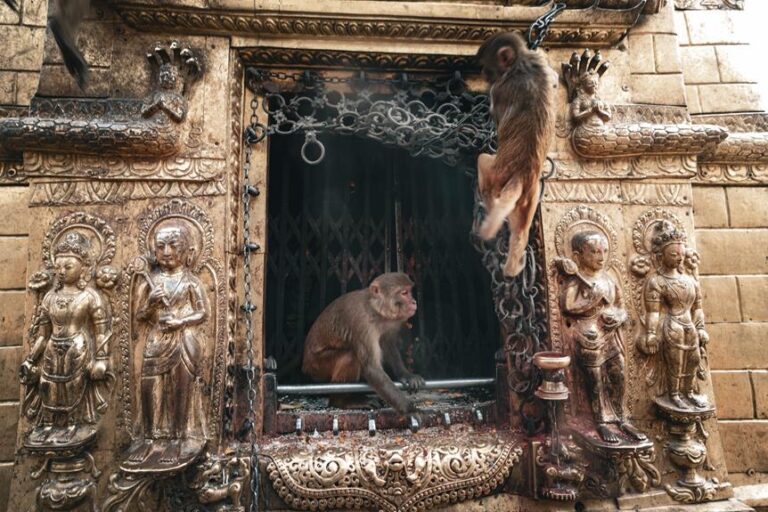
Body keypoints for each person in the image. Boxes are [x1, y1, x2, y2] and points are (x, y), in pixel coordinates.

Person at [129, 220, 209, 464]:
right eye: (161, 246)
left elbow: (202, 312)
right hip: (155, 342)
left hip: (182, 342)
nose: (167, 252)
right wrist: (151, 302)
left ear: (186, 251)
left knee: (179, 389)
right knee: (149, 388)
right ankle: (151, 439)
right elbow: (140, 316)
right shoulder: (151, 281)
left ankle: (178, 438)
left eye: (173, 246)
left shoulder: (190, 281)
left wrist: (181, 321)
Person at [20, 231, 111, 445]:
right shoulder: (51, 296)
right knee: (47, 385)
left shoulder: (89, 297)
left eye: (68, 266)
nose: (61, 271)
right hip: (52, 347)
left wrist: (101, 359)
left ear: (84, 268)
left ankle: (73, 424)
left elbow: (101, 331)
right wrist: (31, 359)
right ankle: (50, 424)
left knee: (73, 386)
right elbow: (43, 334)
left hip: (77, 346)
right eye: (58, 267)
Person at [559, 231, 645, 443]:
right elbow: (568, 306)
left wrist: (618, 317)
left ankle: (621, 417)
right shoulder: (576, 282)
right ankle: (601, 421)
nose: (601, 256)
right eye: (595, 252)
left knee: (619, 372)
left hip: (609, 334)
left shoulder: (608, 279)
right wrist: (592, 301)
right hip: (587, 334)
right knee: (595, 379)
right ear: (579, 256)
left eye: (604, 251)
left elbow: (622, 308)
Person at [642, 221, 709, 410]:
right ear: (660, 256)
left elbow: (698, 308)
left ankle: (689, 392)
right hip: (673, 325)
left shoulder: (689, 280)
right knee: (676, 362)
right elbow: (653, 311)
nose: (679, 258)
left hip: (689, 325)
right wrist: (651, 333)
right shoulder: (657, 281)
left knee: (694, 359)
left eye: (681, 254)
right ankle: (674, 394)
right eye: (673, 255)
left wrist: (701, 328)